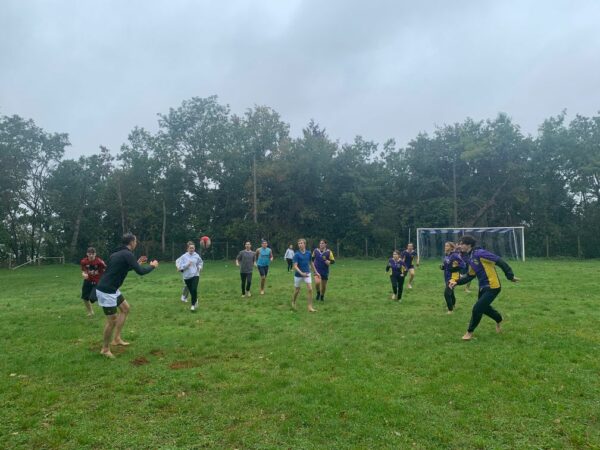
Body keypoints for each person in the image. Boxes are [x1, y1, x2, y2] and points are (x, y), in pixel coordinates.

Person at [95, 233, 158, 358]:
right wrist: (152, 266)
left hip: (113, 289)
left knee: (125, 309)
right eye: (136, 241)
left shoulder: (117, 253)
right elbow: (141, 272)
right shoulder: (127, 254)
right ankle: (105, 349)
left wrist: (136, 263)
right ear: (131, 242)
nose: (136, 243)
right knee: (112, 321)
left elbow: (123, 268)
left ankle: (116, 339)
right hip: (107, 291)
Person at [449, 235, 519, 340]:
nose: (459, 245)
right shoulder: (470, 257)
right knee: (484, 308)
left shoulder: (480, 253)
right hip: (483, 287)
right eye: (459, 243)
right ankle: (499, 319)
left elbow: (500, 261)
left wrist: (510, 276)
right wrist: (456, 282)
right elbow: (470, 275)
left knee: (477, 308)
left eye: (462, 243)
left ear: (469, 245)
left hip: (493, 286)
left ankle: (469, 333)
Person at [176, 241, 204, 312]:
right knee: (191, 291)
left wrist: (200, 267)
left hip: (195, 275)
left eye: (193, 248)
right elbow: (179, 268)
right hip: (187, 277)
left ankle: (193, 305)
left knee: (194, 289)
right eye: (190, 248)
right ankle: (195, 299)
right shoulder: (183, 257)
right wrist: (187, 265)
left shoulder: (196, 255)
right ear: (187, 249)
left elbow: (200, 262)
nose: (192, 249)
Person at [79, 247, 107, 316]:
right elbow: (83, 271)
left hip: (97, 282)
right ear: (87, 254)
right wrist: (84, 274)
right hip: (87, 281)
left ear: (95, 254)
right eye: (89, 254)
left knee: (92, 298)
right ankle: (90, 312)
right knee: (85, 298)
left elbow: (106, 269)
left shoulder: (99, 262)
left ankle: (106, 300)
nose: (91, 255)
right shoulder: (83, 261)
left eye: (93, 254)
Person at [292, 238, 317, 312]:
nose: (300, 245)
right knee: (297, 290)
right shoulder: (296, 254)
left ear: (304, 244)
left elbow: (311, 263)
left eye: (301, 243)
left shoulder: (309, 253)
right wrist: (301, 273)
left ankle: (310, 307)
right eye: (299, 243)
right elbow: (295, 266)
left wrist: (316, 272)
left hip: (307, 273)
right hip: (298, 275)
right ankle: (293, 301)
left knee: (310, 289)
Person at [441, 242, 465, 314]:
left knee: (446, 293)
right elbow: (447, 265)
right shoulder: (447, 255)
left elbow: (463, 265)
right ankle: (453, 305)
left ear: (451, 247)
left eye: (447, 246)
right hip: (447, 276)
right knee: (451, 292)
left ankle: (450, 310)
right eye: (445, 246)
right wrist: (443, 267)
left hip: (453, 277)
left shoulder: (455, 255)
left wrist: (455, 269)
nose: (445, 247)